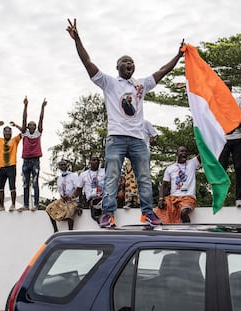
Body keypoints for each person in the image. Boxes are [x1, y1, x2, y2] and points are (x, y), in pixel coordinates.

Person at [67, 18, 184, 227]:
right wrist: (77, 40)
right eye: (125, 61)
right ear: (117, 67)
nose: (129, 64)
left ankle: (148, 213)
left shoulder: (141, 84)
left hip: (138, 139)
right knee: (111, 178)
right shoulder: (110, 83)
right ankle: (108, 214)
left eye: (132, 62)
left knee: (144, 179)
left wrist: (178, 55)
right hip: (117, 138)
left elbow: (162, 71)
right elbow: (88, 63)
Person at [10, 96, 47, 211]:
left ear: (35, 127)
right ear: (27, 126)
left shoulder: (38, 133)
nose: (31, 126)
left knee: (35, 183)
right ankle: (26, 205)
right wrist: (25, 105)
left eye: (33, 125)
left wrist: (42, 107)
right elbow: (24, 118)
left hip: (35, 161)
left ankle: (35, 204)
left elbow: (41, 119)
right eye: (30, 125)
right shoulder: (24, 133)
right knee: (26, 184)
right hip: (26, 161)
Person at [155, 146, 200, 223]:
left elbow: (203, 154)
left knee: (183, 212)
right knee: (158, 212)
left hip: (188, 197)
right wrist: (161, 199)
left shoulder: (192, 163)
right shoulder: (170, 168)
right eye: (182, 151)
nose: (184, 153)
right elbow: (164, 185)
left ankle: (188, 231)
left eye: (186, 152)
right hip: (173, 198)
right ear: (177, 153)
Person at [219, 80, 241, 208]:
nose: (227, 88)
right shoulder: (216, 102)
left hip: (237, 137)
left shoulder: (237, 102)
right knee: (221, 169)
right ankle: (221, 197)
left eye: (229, 86)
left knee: (239, 168)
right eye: (225, 86)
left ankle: (239, 198)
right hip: (223, 139)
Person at [0, 121, 22, 212]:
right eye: (6, 132)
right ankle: (1, 206)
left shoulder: (15, 140)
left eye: (9, 132)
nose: (7, 133)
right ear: (3, 133)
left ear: (11, 133)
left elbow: (24, 132)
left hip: (11, 166)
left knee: (12, 186)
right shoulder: (0, 140)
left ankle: (13, 205)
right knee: (0, 187)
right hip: (2, 167)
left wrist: (16, 125)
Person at [45, 160, 80, 232]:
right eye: (61, 165)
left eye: (64, 165)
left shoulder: (73, 175)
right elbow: (60, 191)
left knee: (70, 212)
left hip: (72, 200)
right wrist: (62, 197)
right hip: (63, 200)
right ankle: (55, 230)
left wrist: (74, 199)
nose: (63, 166)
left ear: (67, 166)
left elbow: (78, 188)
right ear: (59, 167)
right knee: (49, 208)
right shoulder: (59, 179)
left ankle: (70, 231)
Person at [72, 155, 105, 222]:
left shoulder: (104, 171)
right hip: (91, 199)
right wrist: (70, 198)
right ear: (89, 162)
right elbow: (79, 189)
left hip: (103, 198)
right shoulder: (83, 174)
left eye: (97, 160)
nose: (96, 162)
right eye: (93, 160)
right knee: (96, 215)